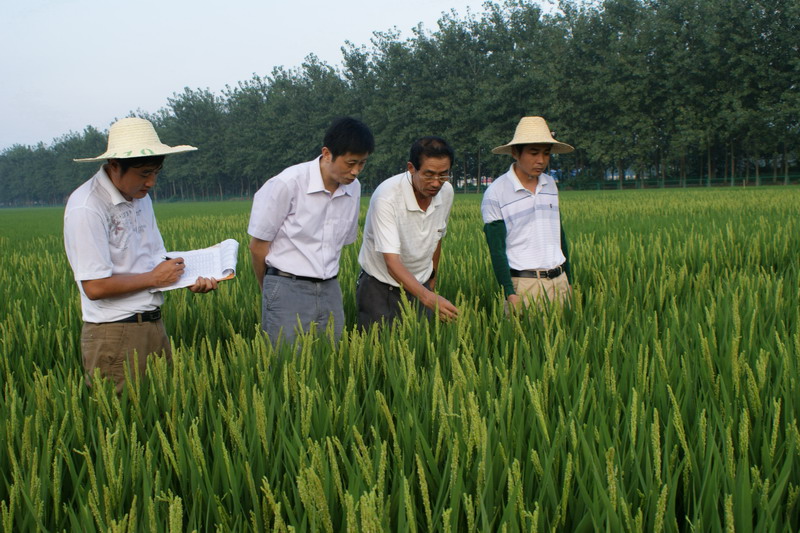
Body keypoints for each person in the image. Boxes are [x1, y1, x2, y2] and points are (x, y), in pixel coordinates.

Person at [64, 117, 217, 393]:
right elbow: (94, 286)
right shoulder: (87, 207)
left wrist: (188, 277)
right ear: (114, 166)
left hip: (153, 323)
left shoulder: (140, 197)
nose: (151, 182)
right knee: (121, 416)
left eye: (156, 172)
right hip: (114, 332)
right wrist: (154, 278)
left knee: (162, 409)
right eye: (144, 173)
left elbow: (153, 259)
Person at [248, 117, 374, 346]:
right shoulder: (288, 183)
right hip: (287, 286)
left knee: (332, 357)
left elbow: (342, 242)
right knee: (285, 360)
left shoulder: (353, 189)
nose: (355, 171)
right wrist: (270, 290)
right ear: (327, 154)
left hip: (330, 288)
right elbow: (258, 247)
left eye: (362, 163)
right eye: (350, 163)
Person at [356, 136, 459, 328]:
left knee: (420, 341)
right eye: (429, 175)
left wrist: (431, 280)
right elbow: (392, 262)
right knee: (379, 344)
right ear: (411, 168)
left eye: (443, 175)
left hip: (421, 284)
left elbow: (437, 237)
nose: (436, 183)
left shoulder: (446, 192)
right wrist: (428, 297)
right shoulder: (386, 198)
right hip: (381, 287)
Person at [481, 116, 574, 312]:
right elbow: (497, 249)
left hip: (559, 281)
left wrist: (569, 280)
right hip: (524, 285)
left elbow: (559, 234)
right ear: (515, 153)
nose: (541, 160)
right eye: (533, 153)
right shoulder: (496, 193)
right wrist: (509, 292)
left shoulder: (550, 184)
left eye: (546, 154)